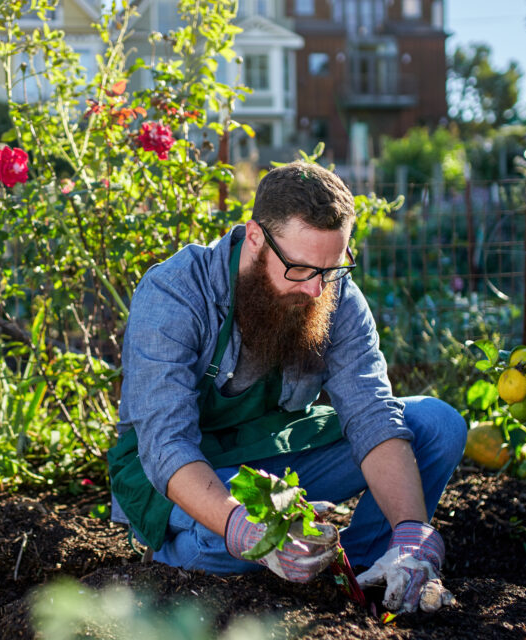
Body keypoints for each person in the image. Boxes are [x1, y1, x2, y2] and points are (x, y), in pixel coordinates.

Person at [107, 161, 466, 614]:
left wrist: (412, 531)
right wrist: (243, 527)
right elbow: (166, 445)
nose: (317, 290)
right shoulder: (175, 293)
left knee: (436, 425)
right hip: (181, 471)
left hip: (274, 455)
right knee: (227, 542)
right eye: (299, 269)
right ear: (255, 237)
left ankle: (367, 572)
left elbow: (371, 413)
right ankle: (176, 560)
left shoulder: (333, 293)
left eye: (331, 269)